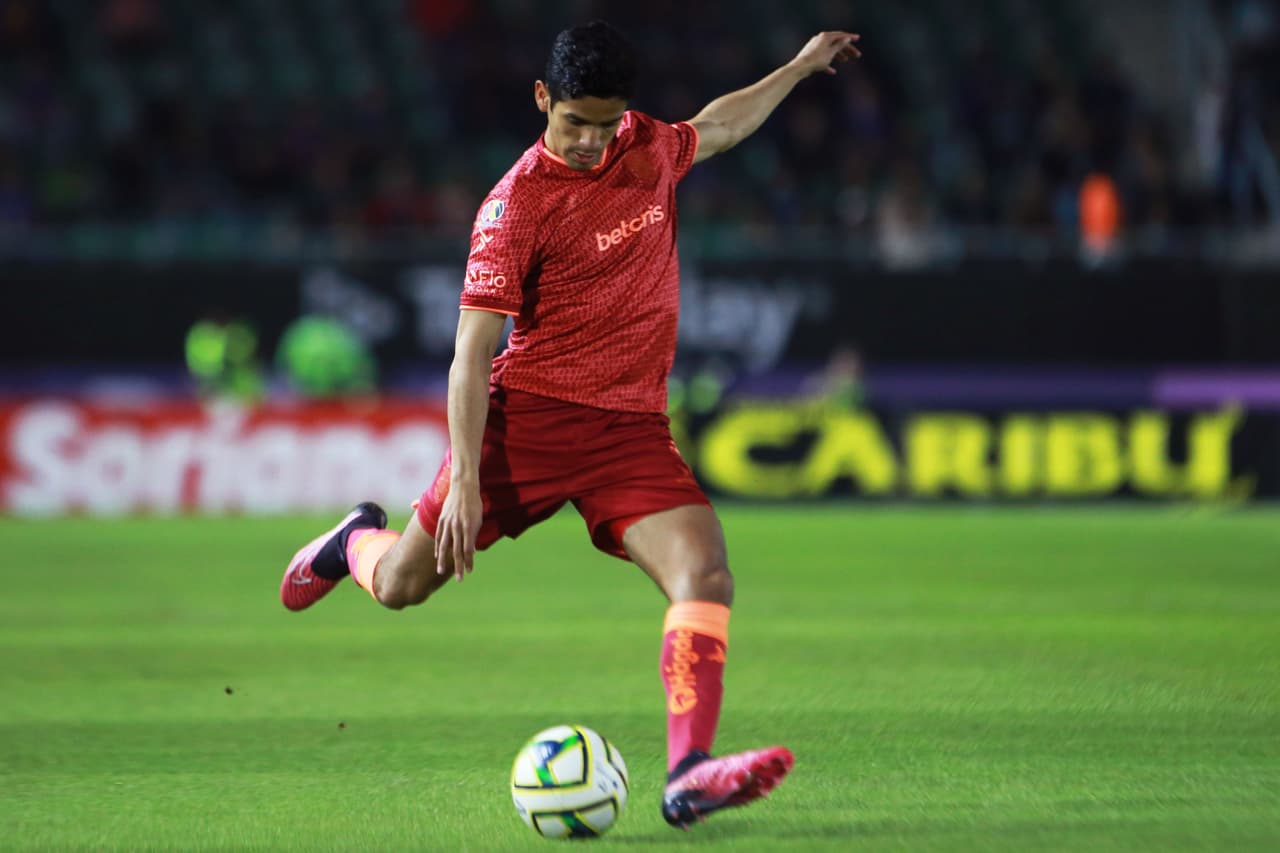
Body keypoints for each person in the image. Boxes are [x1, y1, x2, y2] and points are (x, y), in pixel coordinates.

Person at [280, 20, 860, 829]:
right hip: (527, 426)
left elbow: (720, 124)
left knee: (706, 572)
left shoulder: (649, 146)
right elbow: (470, 357)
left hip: (628, 430)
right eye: (572, 122)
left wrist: (798, 68)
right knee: (404, 585)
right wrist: (469, 481)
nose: (589, 141)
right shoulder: (514, 206)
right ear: (542, 99)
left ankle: (689, 769)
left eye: (604, 122)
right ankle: (352, 544)